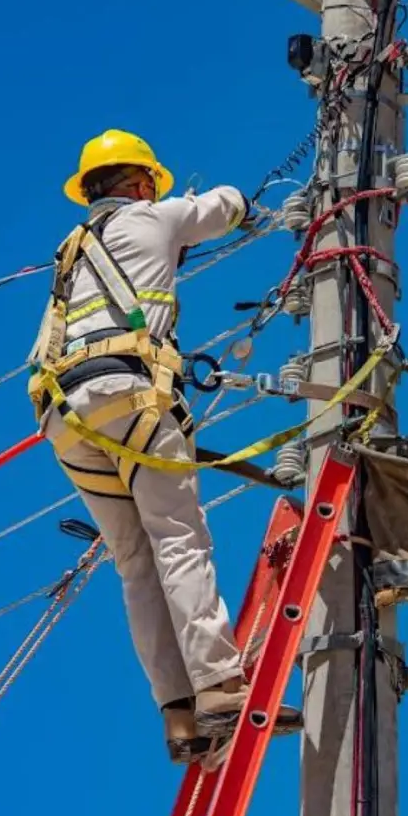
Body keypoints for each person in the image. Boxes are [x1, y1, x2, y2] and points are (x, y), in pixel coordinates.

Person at [27, 129, 303, 764]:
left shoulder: (70, 250)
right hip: (132, 399)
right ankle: (218, 686)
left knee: (134, 561)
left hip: (66, 418)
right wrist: (227, 204)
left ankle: (178, 715)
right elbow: (229, 206)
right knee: (178, 538)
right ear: (141, 182)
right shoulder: (155, 217)